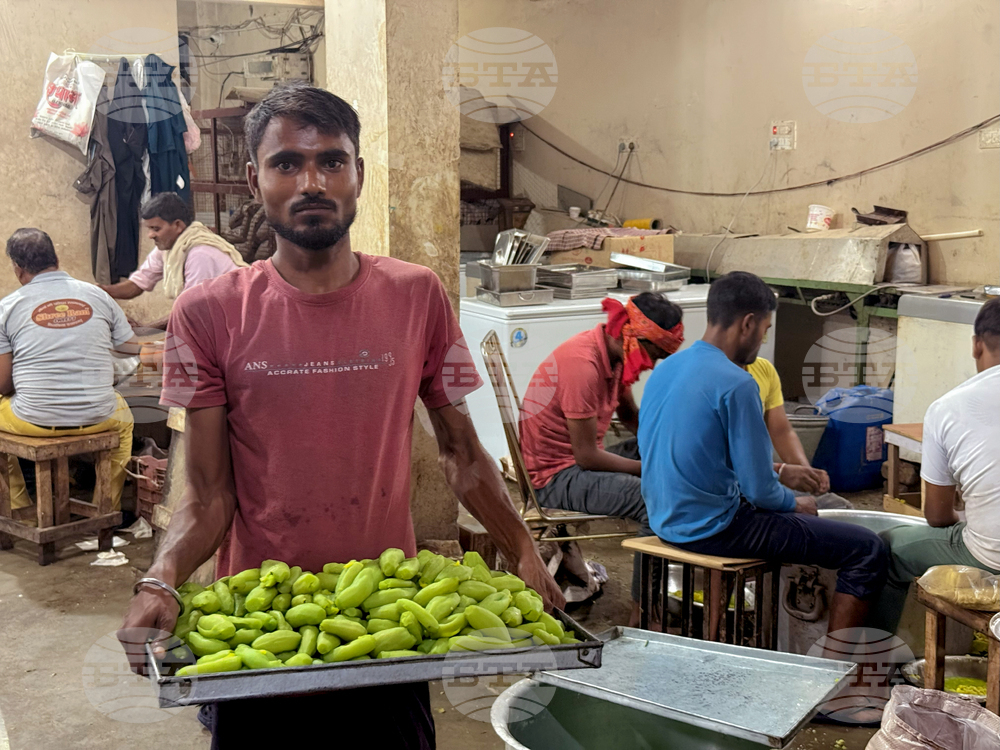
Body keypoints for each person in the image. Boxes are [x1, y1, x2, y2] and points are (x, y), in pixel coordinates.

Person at [118, 82, 563, 749]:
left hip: (389, 620)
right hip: (265, 629)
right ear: (254, 179)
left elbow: (463, 455)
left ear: (358, 173)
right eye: (287, 163)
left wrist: (522, 548)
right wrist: (162, 579)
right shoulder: (206, 313)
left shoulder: (418, 297)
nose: (312, 181)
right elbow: (209, 493)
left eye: (331, 160)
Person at [638, 271, 888, 642]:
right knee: (867, 548)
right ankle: (835, 675)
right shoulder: (738, 383)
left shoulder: (667, 368)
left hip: (662, 517)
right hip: (713, 529)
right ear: (749, 323)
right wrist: (795, 501)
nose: (763, 339)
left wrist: (778, 477)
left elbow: (692, 455)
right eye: (765, 328)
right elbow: (761, 493)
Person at [520, 293, 684, 626]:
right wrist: (652, 470)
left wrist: (673, 447)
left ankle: (657, 586)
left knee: (669, 456)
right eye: (653, 353)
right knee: (652, 497)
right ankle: (643, 611)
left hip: (577, 462)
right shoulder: (584, 365)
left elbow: (631, 417)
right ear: (631, 334)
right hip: (555, 478)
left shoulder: (614, 355)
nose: (652, 364)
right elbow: (587, 456)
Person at [870, 297, 1000, 634]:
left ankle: (874, 666)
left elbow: (938, 516)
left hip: (991, 559)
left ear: (976, 345)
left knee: (884, 549)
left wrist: (969, 518)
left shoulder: (948, 407)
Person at [0, 228, 138, 511]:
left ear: (18, 268)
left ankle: (19, 511)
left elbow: (3, 385)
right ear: (57, 258)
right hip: (98, 415)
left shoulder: (7, 307)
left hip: (32, 420)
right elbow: (131, 350)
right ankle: (104, 511)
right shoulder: (97, 296)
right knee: (125, 420)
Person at [99, 193, 248, 329]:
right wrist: (100, 291)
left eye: (156, 229)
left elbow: (191, 312)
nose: (150, 235)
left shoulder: (200, 254)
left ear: (177, 225)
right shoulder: (168, 248)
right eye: (149, 229)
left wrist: (145, 329)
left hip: (241, 322)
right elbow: (138, 284)